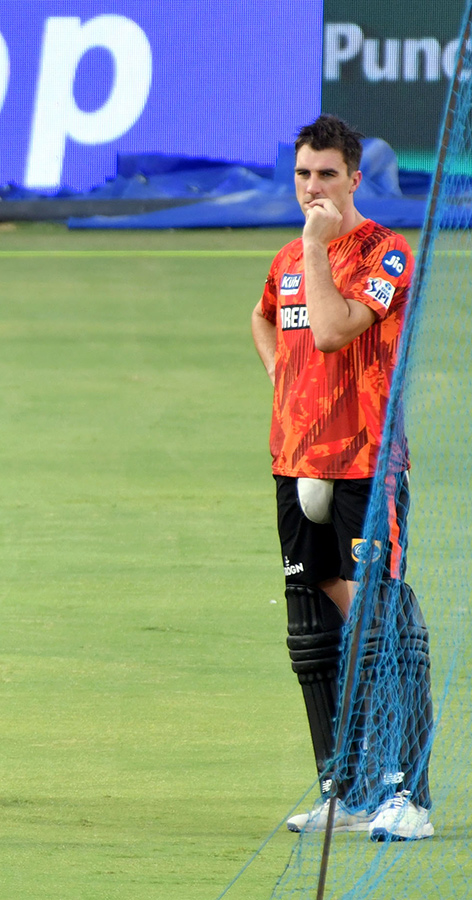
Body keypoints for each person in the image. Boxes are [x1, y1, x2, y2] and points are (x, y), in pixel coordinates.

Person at [251, 115, 433, 841]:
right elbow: (265, 319)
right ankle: (344, 787)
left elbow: (329, 330)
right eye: (303, 175)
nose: (313, 188)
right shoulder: (288, 257)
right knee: (312, 631)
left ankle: (408, 794)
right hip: (295, 461)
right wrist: (280, 378)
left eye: (327, 174)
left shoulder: (386, 253)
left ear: (355, 177)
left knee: (385, 619)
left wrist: (317, 252)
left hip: (366, 459)